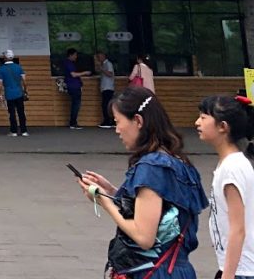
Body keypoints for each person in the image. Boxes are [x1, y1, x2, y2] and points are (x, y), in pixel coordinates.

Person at [78, 87, 207, 279]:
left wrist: (104, 202)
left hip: (153, 271)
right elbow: (159, 211)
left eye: (118, 122)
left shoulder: (151, 166)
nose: (117, 130)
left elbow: (144, 237)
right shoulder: (177, 160)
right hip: (176, 268)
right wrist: (112, 191)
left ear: (138, 121)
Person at [195, 93, 254, 279]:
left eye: (203, 118)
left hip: (241, 270)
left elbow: (238, 230)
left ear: (223, 127)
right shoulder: (231, 163)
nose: (197, 122)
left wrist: (227, 276)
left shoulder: (232, 168)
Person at [0, 49, 28, 137]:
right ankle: (24, 131)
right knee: (21, 112)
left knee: (12, 113)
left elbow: (0, 84)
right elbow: (24, 81)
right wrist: (25, 90)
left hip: (9, 93)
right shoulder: (19, 67)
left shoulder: (1, 69)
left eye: (4, 56)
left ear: (5, 57)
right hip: (19, 92)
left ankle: (13, 131)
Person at [62, 48, 91, 130]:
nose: (76, 57)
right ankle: (73, 123)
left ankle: (73, 122)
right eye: (75, 55)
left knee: (75, 104)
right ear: (70, 55)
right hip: (73, 86)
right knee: (76, 105)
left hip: (74, 85)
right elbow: (73, 74)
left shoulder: (69, 63)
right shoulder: (69, 63)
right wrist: (85, 73)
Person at [96, 51, 116, 129]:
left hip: (108, 87)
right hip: (105, 88)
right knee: (108, 105)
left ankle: (107, 121)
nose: (99, 58)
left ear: (104, 56)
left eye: (100, 56)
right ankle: (112, 121)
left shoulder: (108, 64)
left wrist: (102, 69)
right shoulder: (103, 64)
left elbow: (110, 74)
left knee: (106, 105)